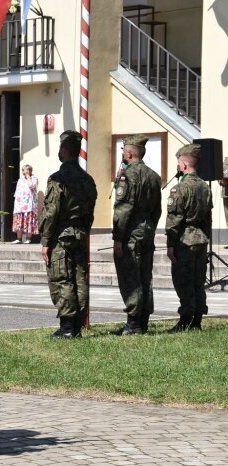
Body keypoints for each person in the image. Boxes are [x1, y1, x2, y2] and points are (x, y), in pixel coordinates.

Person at [40, 131, 97, 339]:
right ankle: (76, 325)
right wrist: (84, 231)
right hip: (80, 235)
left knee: (62, 278)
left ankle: (66, 329)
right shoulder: (88, 180)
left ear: (63, 150)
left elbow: (51, 211)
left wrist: (45, 240)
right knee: (79, 278)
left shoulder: (58, 179)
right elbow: (90, 211)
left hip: (61, 236)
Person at [111, 135, 162, 335]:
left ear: (129, 153)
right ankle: (143, 321)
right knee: (145, 277)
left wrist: (117, 238)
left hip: (131, 233)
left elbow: (123, 209)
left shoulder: (128, 175)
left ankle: (133, 324)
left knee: (130, 276)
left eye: (124, 151)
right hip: (147, 230)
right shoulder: (153, 175)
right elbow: (157, 209)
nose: (123, 154)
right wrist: (149, 227)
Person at [166, 144, 212, 332]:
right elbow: (207, 219)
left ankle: (185, 319)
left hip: (184, 240)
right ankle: (197, 320)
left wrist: (170, 244)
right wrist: (205, 238)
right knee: (198, 281)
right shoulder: (205, 187)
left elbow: (174, 219)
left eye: (178, 162)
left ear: (184, 164)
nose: (177, 166)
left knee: (183, 281)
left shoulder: (180, 188)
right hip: (201, 239)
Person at [11, 164, 39, 244]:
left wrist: (28, 177)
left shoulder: (34, 178)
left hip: (29, 204)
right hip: (20, 205)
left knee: (29, 221)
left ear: (30, 171)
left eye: (27, 170)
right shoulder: (20, 180)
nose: (25, 171)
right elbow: (17, 192)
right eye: (24, 170)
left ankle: (28, 238)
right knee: (19, 221)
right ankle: (19, 239)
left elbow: (32, 186)